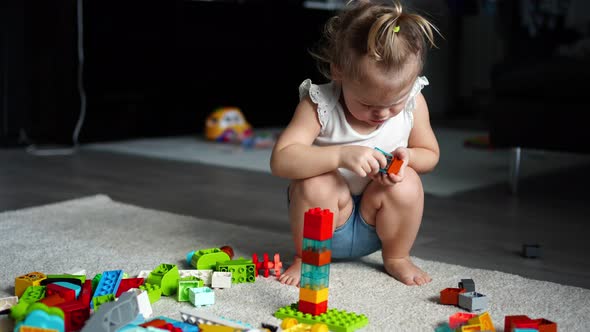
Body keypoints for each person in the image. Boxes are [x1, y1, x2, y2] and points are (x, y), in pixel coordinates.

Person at [270, 0, 441, 286]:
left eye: (394, 102)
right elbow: (281, 160)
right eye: (368, 103)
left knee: (408, 182)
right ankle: (306, 258)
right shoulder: (319, 104)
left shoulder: (414, 102)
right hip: (324, 221)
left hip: (378, 223)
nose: (383, 113)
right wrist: (339, 156)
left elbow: (430, 155)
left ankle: (397, 256)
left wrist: (408, 157)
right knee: (316, 182)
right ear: (338, 71)